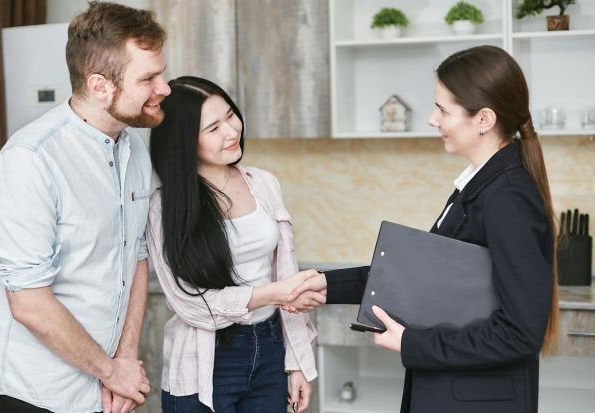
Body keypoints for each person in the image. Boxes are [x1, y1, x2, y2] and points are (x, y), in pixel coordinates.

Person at [287, 45, 559, 413]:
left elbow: (519, 335)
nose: (432, 119)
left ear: (483, 119)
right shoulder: (479, 187)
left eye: (443, 110)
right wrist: (327, 284)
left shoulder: (507, 198)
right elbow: (422, 279)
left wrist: (413, 343)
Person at [0, 2, 170, 413]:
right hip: (37, 392)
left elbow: (135, 256)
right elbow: (29, 302)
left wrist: (124, 360)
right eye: (149, 77)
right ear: (100, 85)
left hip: (103, 384)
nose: (164, 88)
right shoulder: (30, 159)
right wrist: (111, 371)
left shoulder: (135, 149)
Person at [147, 76, 323, 413]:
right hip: (207, 359)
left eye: (230, 115)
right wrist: (273, 293)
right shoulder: (165, 207)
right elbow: (191, 305)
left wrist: (298, 362)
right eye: (213, 128)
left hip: (270, 348)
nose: (231, 131)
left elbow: (285, 272)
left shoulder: (263, 183)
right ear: (184, 141)